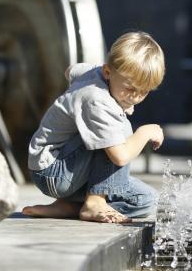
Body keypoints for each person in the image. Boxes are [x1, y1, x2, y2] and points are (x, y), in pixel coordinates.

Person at [22, 31, 165, 222]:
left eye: (144, 92)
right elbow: (120, 157)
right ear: (107, 72)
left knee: (148, 200)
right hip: (53, 171)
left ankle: (70, 207)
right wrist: (145, 132)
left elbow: (71, 70)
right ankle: (94, 202)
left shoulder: (98, 73)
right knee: (121, 130)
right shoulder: (97, 100)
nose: (135, 97)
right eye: (130, 88)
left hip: (71, 172)